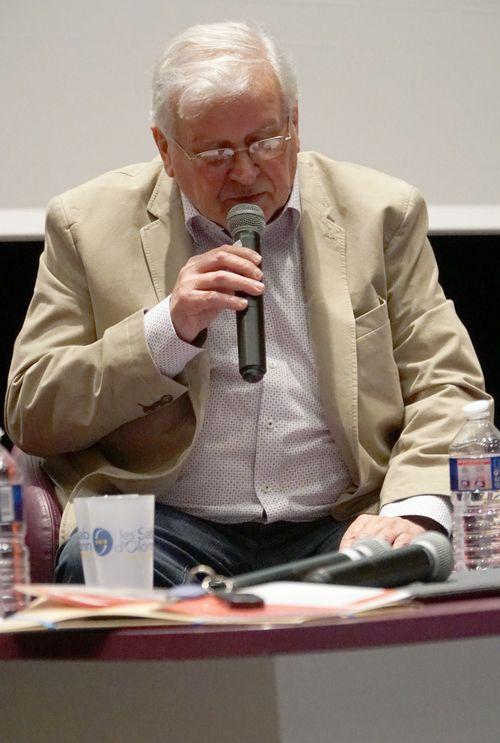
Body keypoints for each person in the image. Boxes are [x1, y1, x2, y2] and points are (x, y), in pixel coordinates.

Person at [5, 21, 489, 585]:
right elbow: (31, 411)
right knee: (101, 570)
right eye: (214, 152)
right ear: (165, 149)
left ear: (295, 125)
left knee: (417, 565)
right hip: (168, 527)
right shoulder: (85, 226)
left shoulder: (381, 213)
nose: (244, 170)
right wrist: (164, 332)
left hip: (342, 520)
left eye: (264, 142)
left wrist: (409, 509)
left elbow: (447, 385)